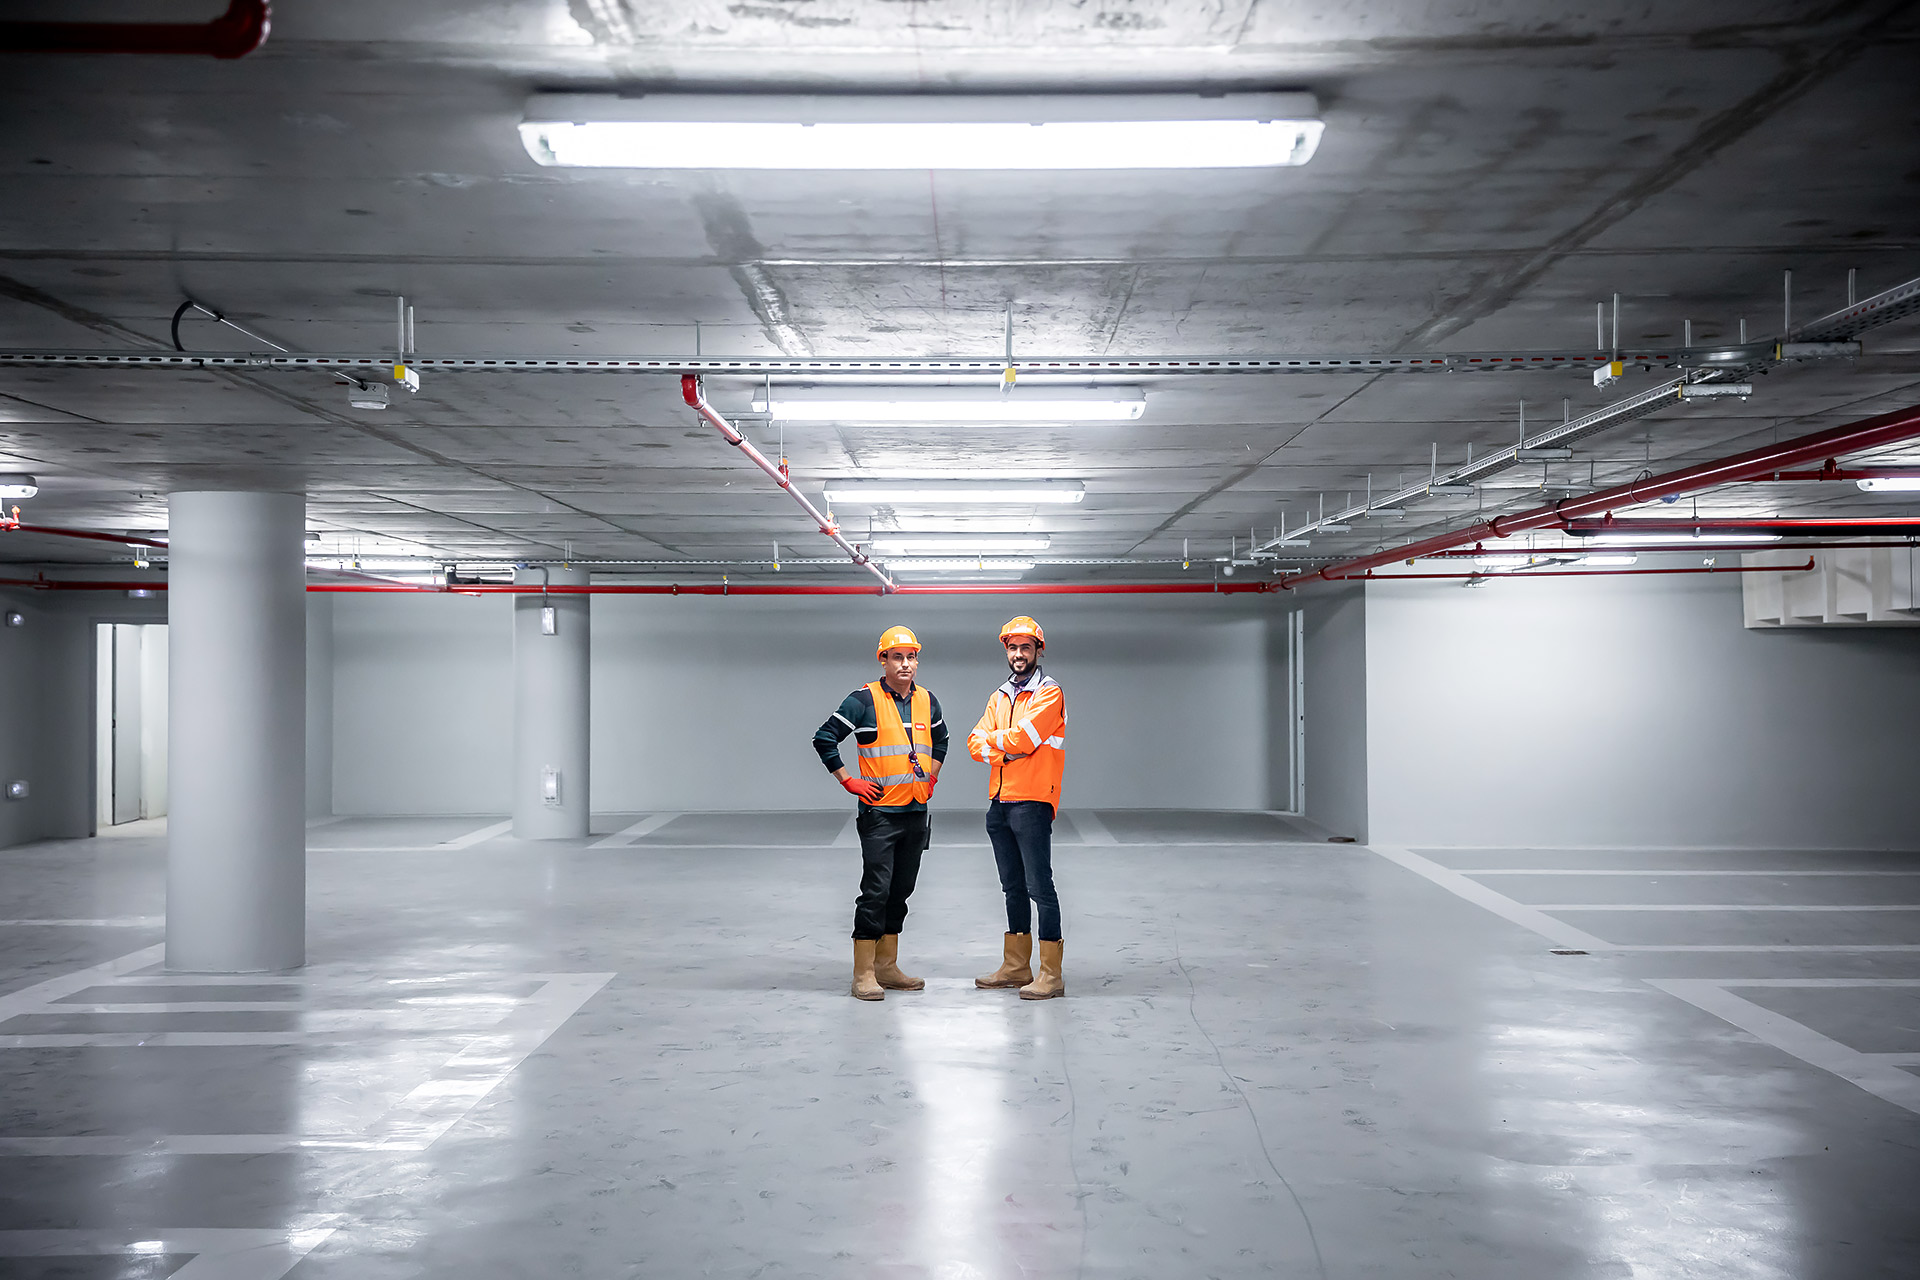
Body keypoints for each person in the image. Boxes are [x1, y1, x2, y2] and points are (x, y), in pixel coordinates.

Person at [812, 625, 947, 1001]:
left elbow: (943, 740)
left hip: (915, 811)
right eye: (898, 657)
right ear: (883, 660)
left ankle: (887, 967)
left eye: (912, 657)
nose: (906, 664)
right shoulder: (863, 700)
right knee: (876, 890)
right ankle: (863, 973)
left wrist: (931, 777)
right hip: (879, 815)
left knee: (901, 890)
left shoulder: (927, 701)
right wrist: (847, 781)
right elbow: (824, 738)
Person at [968, 616, 1067, 1000]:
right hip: (1000, 801)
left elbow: (1025, 739)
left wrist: (999, 743)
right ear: (1006, 651)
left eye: (1026, 647)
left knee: (1039, 887)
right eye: (1013, 647)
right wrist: (1001, 744)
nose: (1019, 654)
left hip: (1033, 800)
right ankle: (1016, 967)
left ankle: (1051, 974)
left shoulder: (1049, 692)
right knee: (1012, 887)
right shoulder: (1000, 695)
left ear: (1038, 650)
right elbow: (974, 742)